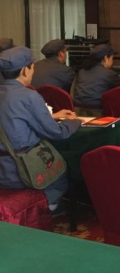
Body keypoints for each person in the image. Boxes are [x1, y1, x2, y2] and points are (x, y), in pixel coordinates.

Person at [0, 46, 81, 214]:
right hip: (20, 171)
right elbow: (58, 133)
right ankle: (45, 209)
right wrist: (74, 122)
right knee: (61, 173)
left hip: (3, 168)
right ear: (24, 70)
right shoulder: (28, 96)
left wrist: (53, 116)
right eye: (32, 67)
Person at [73, 44, 120, 110]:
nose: (112, 61)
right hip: (98, 111)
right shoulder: (109, 74)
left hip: (77, 109)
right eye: (112, 58)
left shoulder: (81, 72)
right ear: (105, 58)